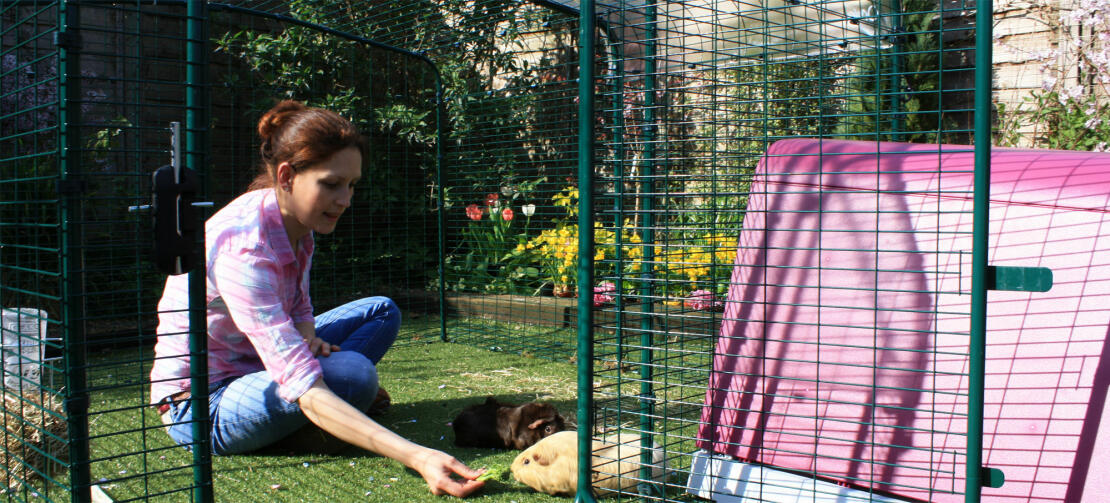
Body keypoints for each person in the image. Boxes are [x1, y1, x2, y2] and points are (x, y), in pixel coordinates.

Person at [149, 100, 484, 497]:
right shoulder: (245, 250)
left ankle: (335, 409)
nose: (345, 199)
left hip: (259, 361)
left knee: (381, 311)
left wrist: (308, 337)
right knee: (354, 375)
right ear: (287, 176)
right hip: (203, 403)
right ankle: (329, 414)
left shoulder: (296, 220)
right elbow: (301, 382)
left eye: (351, 184)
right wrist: (417, 455)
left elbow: (300, 306)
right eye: (331, 184)